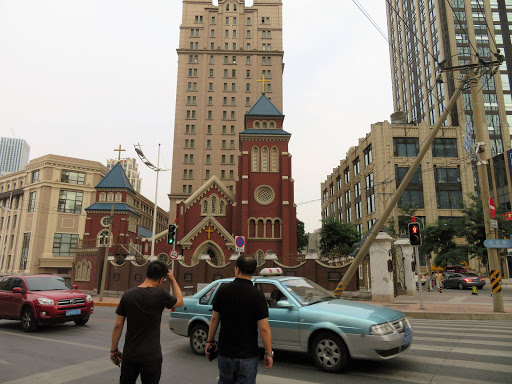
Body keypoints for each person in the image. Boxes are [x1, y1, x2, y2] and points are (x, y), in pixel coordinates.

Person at [110, 260, 184, 384]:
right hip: (151, 355)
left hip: (130, 354)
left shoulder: (128, 295)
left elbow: (118, 325)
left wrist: (114, 350)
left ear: (147, 274)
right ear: (161, 279)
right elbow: (180, 301)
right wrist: (172, 280)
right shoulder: (160, 295)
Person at [206, 255, 273, 384]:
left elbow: (214, 319)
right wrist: (269, 353)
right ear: (254, 272)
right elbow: (264, 328)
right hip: (247, 355)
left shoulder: (223, 290)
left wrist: (210, 341)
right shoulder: (257, 295)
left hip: (225, 353)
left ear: (236, 269)